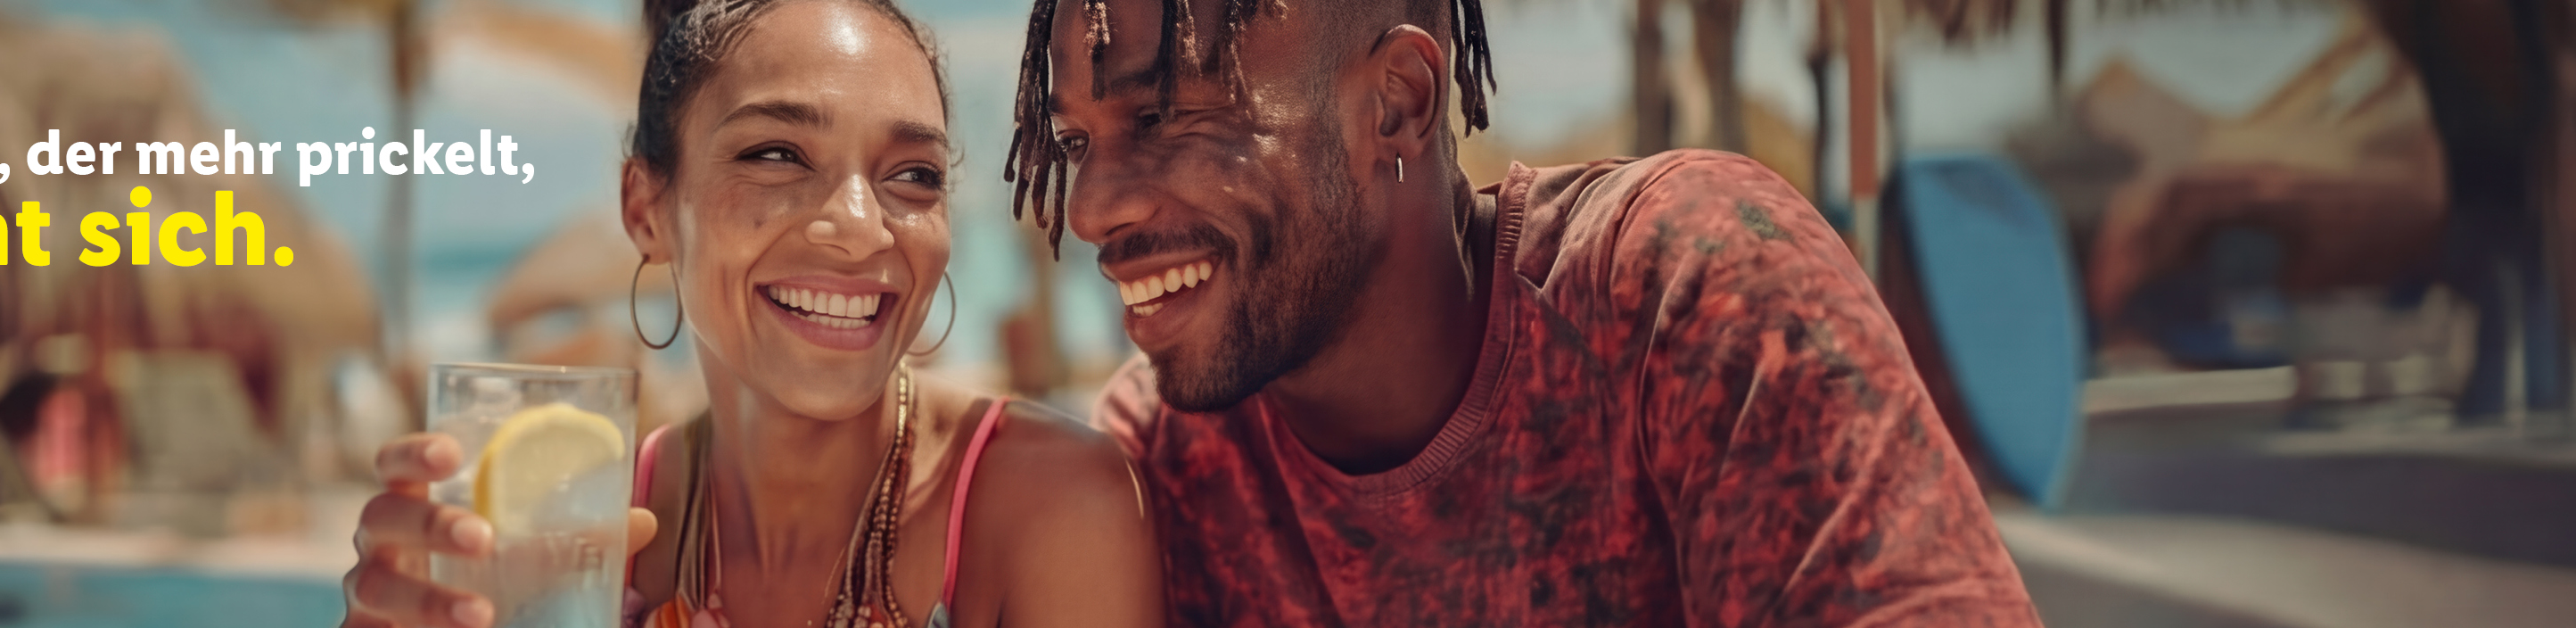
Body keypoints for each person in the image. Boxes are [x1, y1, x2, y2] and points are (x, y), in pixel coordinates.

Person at [997, 0, 2042, 625]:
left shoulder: (1686, 287)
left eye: (1169, 117)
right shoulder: (1163, 468)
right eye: (1079, 140)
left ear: (1397, 101)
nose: (1091, 207)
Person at [342, 1, 1161, 627]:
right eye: (775, 155)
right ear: (646, 208)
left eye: (913, 175)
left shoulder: (1047, 506)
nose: (859, 227)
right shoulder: (580, 530)